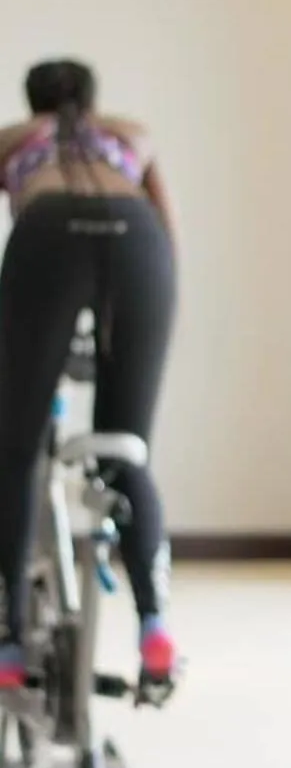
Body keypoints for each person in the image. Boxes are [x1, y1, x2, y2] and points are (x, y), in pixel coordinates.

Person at [0, 58, 180, 689]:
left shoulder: (13, 141)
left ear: (32, 105)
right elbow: (169, 234)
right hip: (140, 241)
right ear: (93, 100)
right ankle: (154, 624)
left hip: (47, 233)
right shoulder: (132, 133)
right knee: (128, 449)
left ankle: (10, 645)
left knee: (15, 448)